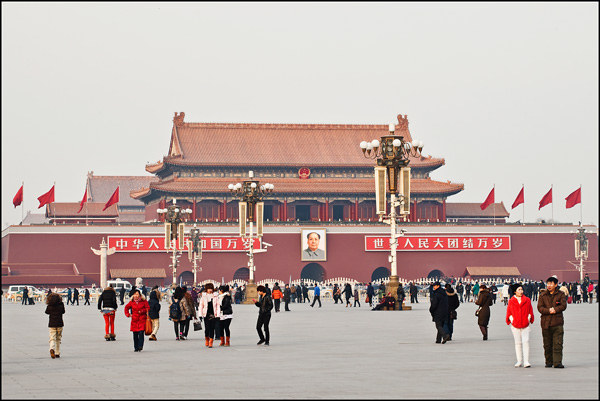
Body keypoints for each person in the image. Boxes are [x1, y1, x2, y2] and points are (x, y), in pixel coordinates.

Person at [537, 276, 567, 368]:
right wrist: (549, 311)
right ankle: (549, 362)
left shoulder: (561, 294)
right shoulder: (542, 295)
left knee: (558, 343)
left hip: (557, 323)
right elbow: (540, 308)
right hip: (545, 323)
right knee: (547, 344)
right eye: (548, 284)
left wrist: (555, 309)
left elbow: (563, 306)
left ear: (556, 284)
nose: (549, 286)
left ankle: (557, 362)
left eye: (551, 284)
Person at [506, 283, 534, 368]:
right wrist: (512, 320)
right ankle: (519, 361)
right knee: (517, 343)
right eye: (519, 290)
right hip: (515, 325)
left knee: (526, 342)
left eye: (522, 289)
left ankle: (526, 361)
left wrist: (528, 318)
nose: (521, 291)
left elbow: (530, 311)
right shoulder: (511, 301)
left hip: (525, 325)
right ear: (515, 291)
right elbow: (509, 312)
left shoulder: (527, 300)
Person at [199, 283, 220, 348]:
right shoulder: (204, 296)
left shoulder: (216, 296)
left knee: (212, 329)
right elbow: (201, 306)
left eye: (211, 288)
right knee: (207, 328)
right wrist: (200, 315)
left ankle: (211, 341)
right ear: (206, 289)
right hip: (206, 315)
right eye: (208, 289)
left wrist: (218, 315)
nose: (210, 290)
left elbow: (218, 306)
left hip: (214, 314)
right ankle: (207, 338)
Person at [45, 292, 65, 359]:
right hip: (59, 323)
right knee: (58, 338)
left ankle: (51, 348)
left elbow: (46, 312)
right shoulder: (61, 305)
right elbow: (63, 312)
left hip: (52, 324)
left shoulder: (50, 306)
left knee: (52, 338)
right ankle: (57, 352)